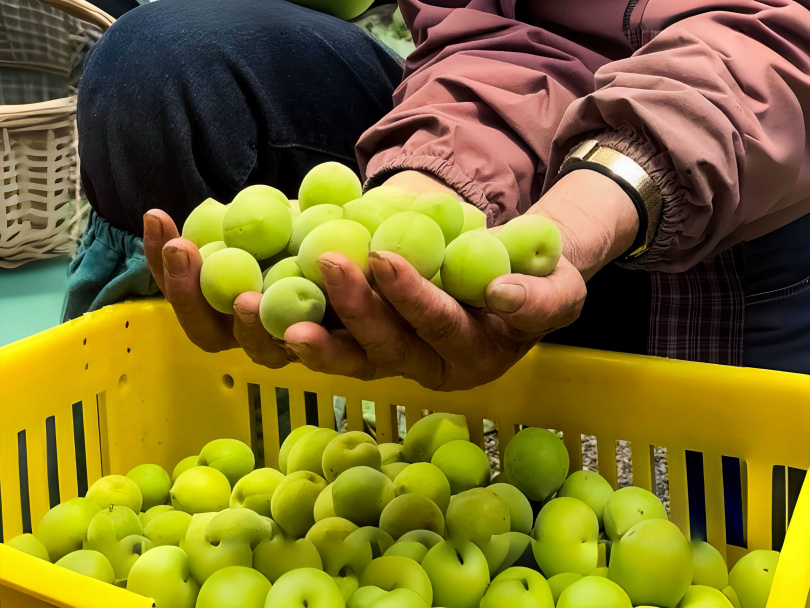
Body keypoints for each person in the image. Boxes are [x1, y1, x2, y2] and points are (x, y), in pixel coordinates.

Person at [68, 0, 810, 390]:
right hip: (530, 154)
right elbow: (490, 31)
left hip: (759, 187)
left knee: (745, 519)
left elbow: (780, 41)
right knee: (160, 64)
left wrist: (609, 190)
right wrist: (436, 181)